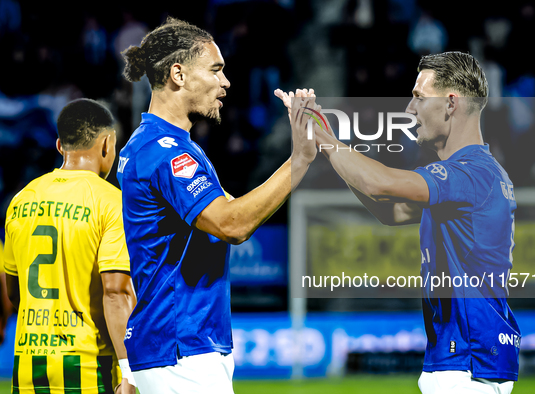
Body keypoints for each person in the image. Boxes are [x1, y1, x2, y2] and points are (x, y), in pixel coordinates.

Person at [278, 51, 519, 393]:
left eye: (419, 97)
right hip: (470, 358)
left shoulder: (470, 173)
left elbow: (381, 184)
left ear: (451, 104)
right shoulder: (482, 174)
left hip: (467, 361)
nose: (409, 109)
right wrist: (329, 142)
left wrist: (328, 143)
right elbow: (390, 210)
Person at [117, 17, 316, 394]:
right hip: (180, 347)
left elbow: (235, 210)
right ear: (178, 74)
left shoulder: (171, 146)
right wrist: (300, 160)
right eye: (216, 70)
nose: (225, 82)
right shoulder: (166, 153)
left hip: (181, 346)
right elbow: (232, 225)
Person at [4, 99, 137, 394]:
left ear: (60, 146)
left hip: (27, 367)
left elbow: (14, 292)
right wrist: (129, 373)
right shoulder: (111, 202)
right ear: (106, 145)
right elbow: (116, 293)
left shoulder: (21, 200)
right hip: (89, 369)